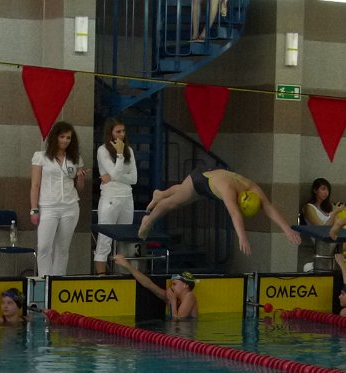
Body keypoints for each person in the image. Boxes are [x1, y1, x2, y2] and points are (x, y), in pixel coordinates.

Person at [139, 168, 301, 256]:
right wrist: (242, 237)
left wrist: (286, 229)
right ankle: (149, 220)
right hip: (200, 181)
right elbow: (235, 215)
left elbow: (269, 207)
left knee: (182, 191)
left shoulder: (253, 189)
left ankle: (159, 194)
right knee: (172, 203)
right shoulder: (229, 191)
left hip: (211, 177)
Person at [30, 121, 88, 277]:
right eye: (62, 137)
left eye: (68, 138)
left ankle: (58, 279)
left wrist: (81, 178)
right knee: (44, 247)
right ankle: (44, 280)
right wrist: (34, 209)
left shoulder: (75, 158)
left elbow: (79, 188)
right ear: (55, 137)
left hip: (70, 206)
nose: (65, 140)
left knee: (62, 248)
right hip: (48, 206)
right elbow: (35, 185)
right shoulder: (41, 157)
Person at [94, 117, 137, 275]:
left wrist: (112, 177)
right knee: (105, 239)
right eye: (118, 131)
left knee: (124, 240)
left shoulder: (129, 150)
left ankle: (123, 275)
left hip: (127, 197)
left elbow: (134, 178)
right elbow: (115, 172)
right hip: (110, 198)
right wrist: (119, 154)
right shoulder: (102, 150)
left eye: (123, 131)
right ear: (110, 133)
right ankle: (101, 277)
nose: (121, 134)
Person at [301, 178, 346, 270]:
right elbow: (322, 230)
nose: (326, 192)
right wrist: (334, 213)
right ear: (315, 190)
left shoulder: (329, 207)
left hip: (333, 239)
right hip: (321, 242)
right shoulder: (308, 207)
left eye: (328, 190)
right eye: (323, 189)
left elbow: (339, 224)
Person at [113, 254, 198, 320]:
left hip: (185, 335)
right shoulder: (173, 297)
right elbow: (148, 284)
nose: (171, 287)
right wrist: (126, 265)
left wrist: (172, 301)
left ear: (186, 285)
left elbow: (178, 320)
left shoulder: (189, 296)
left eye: (174, 284)